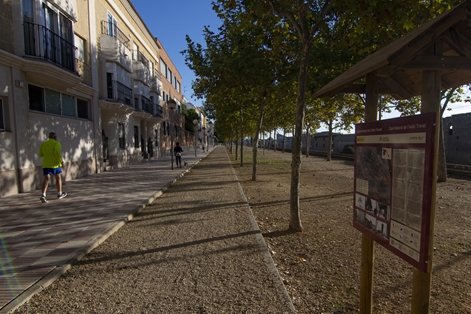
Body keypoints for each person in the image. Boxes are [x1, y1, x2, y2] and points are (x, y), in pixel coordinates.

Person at [38, 132, 67, 203]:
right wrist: (61, 161)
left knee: (46, 179)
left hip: (46, 164)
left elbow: (40, 154)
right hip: (55, 164)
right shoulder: (56, 144)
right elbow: (57, 153)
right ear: (55, 137)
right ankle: (59, 193)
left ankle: (43, 195)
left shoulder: (43, 144)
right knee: (58, 178)